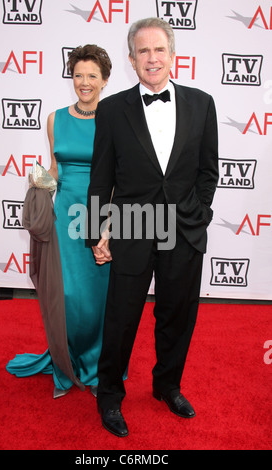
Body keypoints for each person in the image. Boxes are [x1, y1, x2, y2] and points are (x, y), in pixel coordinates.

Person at [86, 18, 219, 437]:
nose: (152, 58)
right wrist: (95, 232)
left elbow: (208, 170)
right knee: (122, 317)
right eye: (143, 51)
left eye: (159, 49)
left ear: (173, 54)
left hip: (184, 227)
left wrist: (198, 215)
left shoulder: (202, 103)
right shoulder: (111, 110)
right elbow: (100, 178)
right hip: (132, 226)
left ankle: (167, 385)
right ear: (130, 60)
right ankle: (109, 395)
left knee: (177, 314)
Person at [6, 44, 113, 399]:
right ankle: (67, 361)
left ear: (105, 80)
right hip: (64, 214)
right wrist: (39, 183)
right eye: (78, 75)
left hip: (100, 213)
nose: (84, 82)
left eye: (92, 76)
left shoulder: (114, 120)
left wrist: (111, 226)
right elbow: (55, 169)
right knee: (66, 295)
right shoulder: (55, 118)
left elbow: (120, 175)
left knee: (98, 298)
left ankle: (97, 367)